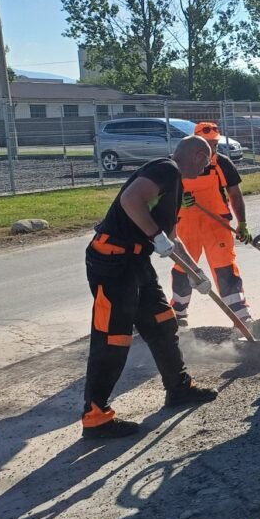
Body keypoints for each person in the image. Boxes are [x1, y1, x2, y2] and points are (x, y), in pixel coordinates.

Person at [82, 136, 219, 439]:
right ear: (197, 154)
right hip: (113, 260)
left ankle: (178, 388)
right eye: (207, 161)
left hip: (136, 262)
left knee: (162, 323)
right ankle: (95, 417)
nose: (206, 168)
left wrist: (196, 273)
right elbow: (131, 200)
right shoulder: (165, 168)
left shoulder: (175, 184)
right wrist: (156, 235)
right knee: (113, 337)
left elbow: (172, 239)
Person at [171, 122, 255, 327]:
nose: (212, 149)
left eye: (215, 144)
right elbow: (161, 194)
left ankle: (241, 315)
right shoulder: (176, 164)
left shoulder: (222, 164)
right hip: (186, 227)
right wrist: (178, 199)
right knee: (184, 268)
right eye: (209, 144)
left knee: (225, 268)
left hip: (216, 226)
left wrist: (242, 223)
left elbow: (235, 194)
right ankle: (178, 314)